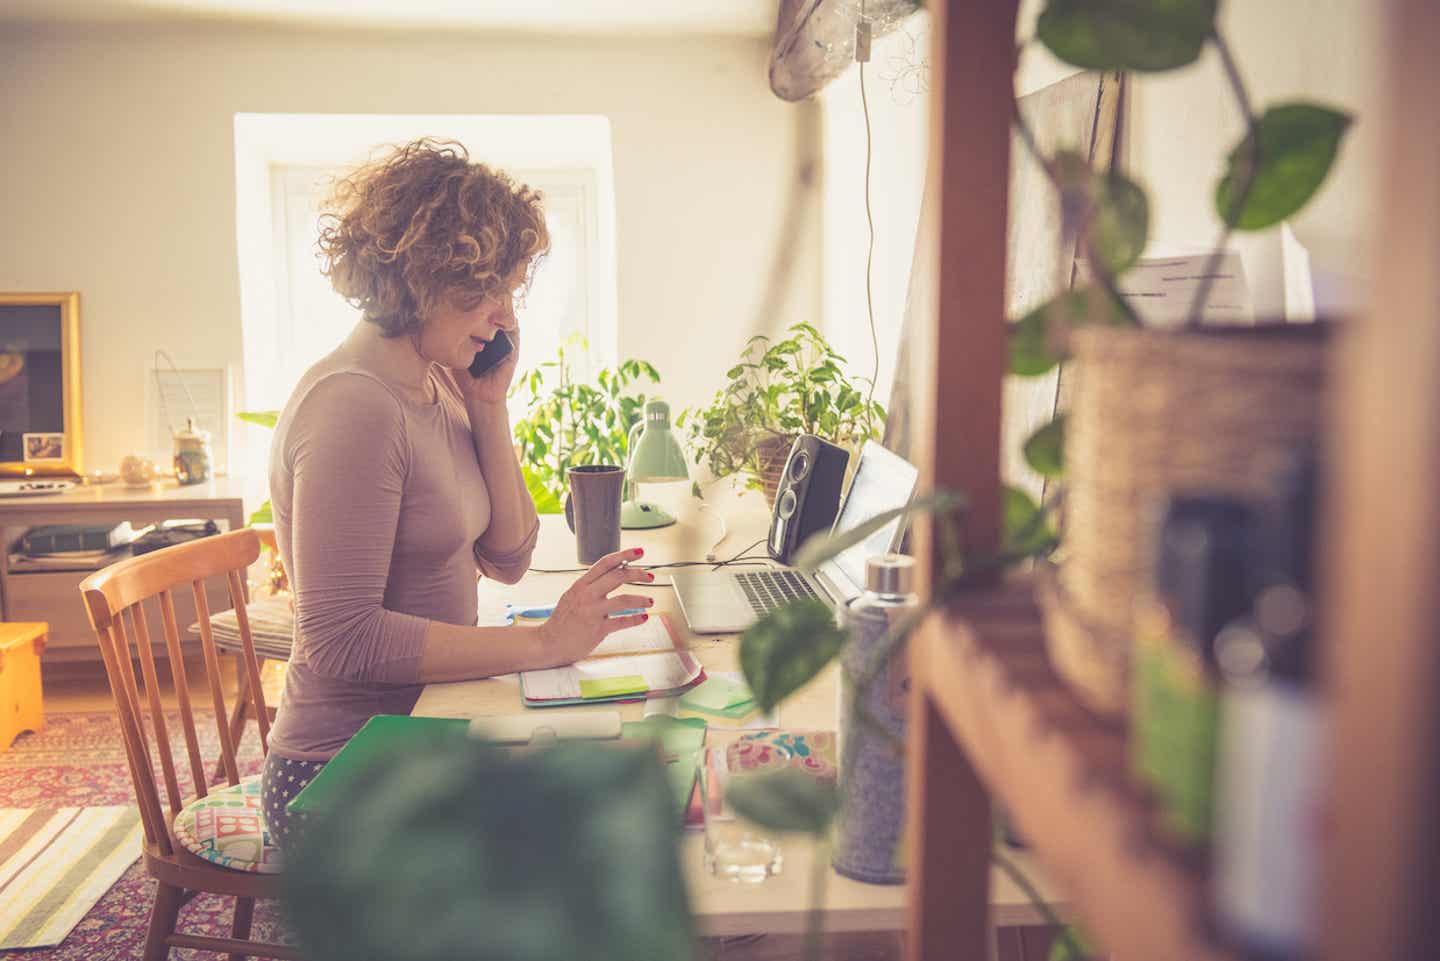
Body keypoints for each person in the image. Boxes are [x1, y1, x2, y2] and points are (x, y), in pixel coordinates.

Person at [260, 139, 653, 847]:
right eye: (490, 289)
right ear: (424, 276)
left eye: (510, 290)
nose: (505, 316)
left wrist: (490, 407)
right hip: (344, 774)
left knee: (635, 780)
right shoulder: (354, 405)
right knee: (609, 839)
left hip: (427, 737)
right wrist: (541, 642)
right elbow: (341, 639)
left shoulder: (438, 379)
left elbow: (507, 556)